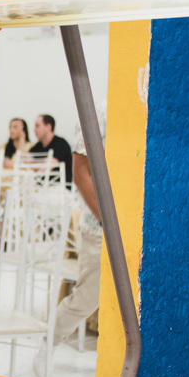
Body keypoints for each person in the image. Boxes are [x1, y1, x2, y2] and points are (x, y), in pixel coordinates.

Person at [50, 108, 107, 361]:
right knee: (87, 297)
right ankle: (49, 340)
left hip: (138, 223)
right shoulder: (99, 113)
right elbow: (80, 172)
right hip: (100, 225)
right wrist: (105, 220)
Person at [30, 114, 73, 183]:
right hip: (40, 186)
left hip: (59, 186)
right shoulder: (37, 146)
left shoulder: (61, 144)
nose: (34, 130)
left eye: (37, 126)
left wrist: (27, 166)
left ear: (48, 126)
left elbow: (49, 166)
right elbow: (26, 160)